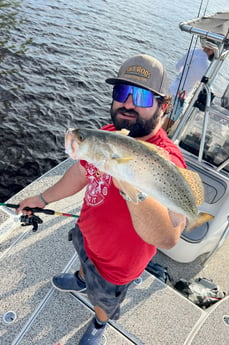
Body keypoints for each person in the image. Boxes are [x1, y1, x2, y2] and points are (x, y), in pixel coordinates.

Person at [17, 54, 187, 345]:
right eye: (122, 92)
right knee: (83, 260)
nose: (129, 104)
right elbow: (80, 173)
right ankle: (82, 278)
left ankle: (98, 324)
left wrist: (128, 180)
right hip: (86, 235)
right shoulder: (108, 135)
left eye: (143, 97)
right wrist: (43, 198)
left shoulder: (169, 161)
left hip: (119, 266)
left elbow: (169, 237)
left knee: (104, 300)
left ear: (164, 106)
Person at [163, 39, 216, 132]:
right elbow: (206, 84)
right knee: (174, 115)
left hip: (174, 87)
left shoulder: (193, 51)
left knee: (163, 112)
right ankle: (159, 136)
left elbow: (178, 66)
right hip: (182, 93)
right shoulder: (205, 65)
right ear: (212, 50)